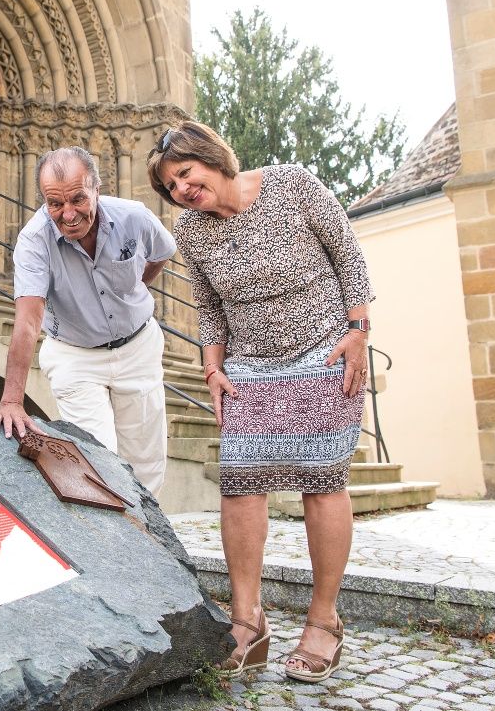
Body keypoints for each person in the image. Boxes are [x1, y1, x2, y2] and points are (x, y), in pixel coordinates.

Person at [147, 120, 373, 683]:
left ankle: (324, 620)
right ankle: (248, 622)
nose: (181, 190)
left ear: (210, 158)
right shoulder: (193, 231)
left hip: (322, 353)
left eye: (184, 175)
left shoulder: (291, 185)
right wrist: (212, 366)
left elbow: (349, 256)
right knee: (240, 485)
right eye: (171, 186)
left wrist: (359, 332)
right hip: (248, 369)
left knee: (323, 482)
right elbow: (209, 305)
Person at [0, 146, 175, 495]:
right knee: (96, 456)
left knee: (146, 460)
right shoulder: (33, 240)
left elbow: (163, 251)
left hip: (138, 348)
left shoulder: (134, 217)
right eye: (55, 203)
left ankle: (145, 543)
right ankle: (107, 543)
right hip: (75, 355)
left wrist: (135, 288)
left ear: (97, 189)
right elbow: (28, 321)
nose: (68, 214)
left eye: (78, 199)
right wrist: (12, 400)